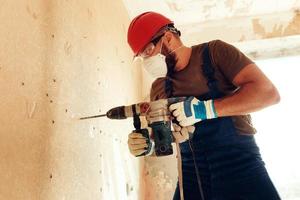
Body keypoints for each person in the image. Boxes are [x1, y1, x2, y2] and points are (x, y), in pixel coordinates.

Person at [126, 11, 281, 200]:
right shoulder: (158, 87)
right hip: (190, 175)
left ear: (167, 38)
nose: (147, 62)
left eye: (149, 51)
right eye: (142, 57)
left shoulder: (215, 53)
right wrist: (147, 144)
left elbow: (268, 93)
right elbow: (163, 139)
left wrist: (206, 109)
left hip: (239, 166)